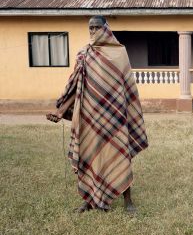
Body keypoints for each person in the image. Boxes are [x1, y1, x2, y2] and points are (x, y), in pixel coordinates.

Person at [46, 16, 148, 213]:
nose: (93, 31)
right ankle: (88, 200)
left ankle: (128, 201)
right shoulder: (84, 53)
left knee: (120, 153)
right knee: (88, 153)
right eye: (90, 28)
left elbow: (127, 88)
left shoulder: (119, 53)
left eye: (97, 27)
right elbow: (76, 85)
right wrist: (60, 111)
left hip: (115, 115)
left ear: (106, 28)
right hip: (88, 115)